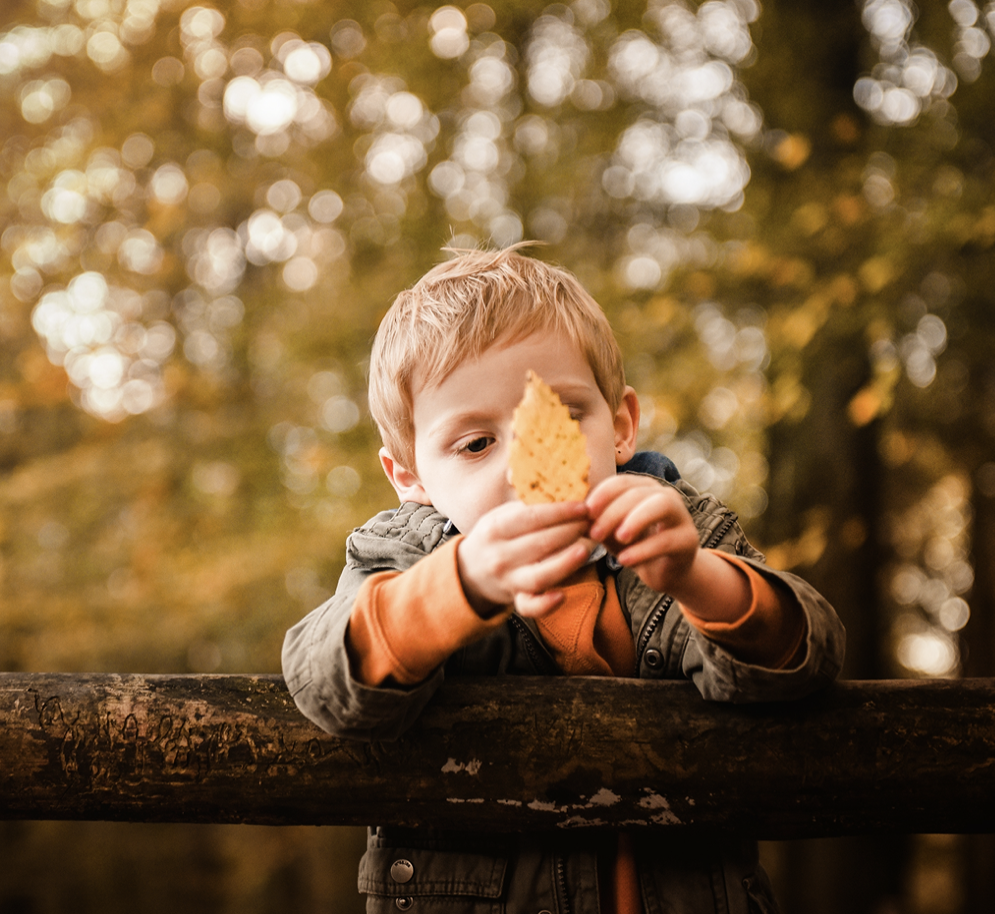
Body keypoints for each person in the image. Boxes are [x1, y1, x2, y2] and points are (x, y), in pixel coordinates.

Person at [281, 244, 845, 914]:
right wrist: (459, 585)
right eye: (476, 443)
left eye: (563, 414)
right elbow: (322, 679)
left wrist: (694, 576)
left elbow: (807, 657)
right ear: (411, 478)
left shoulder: (682, 530)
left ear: (621, 426)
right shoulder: (399, 559)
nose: (524, 464)